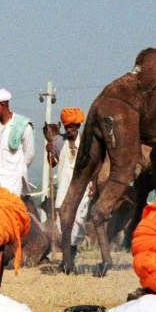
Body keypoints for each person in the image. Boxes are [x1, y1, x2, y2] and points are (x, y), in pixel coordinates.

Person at [46, 107, 91, 255]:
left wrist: (94, 184)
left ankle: (71, 254)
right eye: (67, 126)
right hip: (64, 184)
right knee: (62, 218)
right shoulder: (59, 141)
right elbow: (53, 163)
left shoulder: (86, 141)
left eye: (72, 126)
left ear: (78, 126)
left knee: (78, 218)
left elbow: (94, 163)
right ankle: (67, 256)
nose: (69, 129)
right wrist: (49, 152)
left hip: (82, 185)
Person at [0, 89, 35, 197]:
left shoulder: (23, 125)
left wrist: (16, 171)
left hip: (11, 183)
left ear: (2, 105)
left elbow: (29, 154)